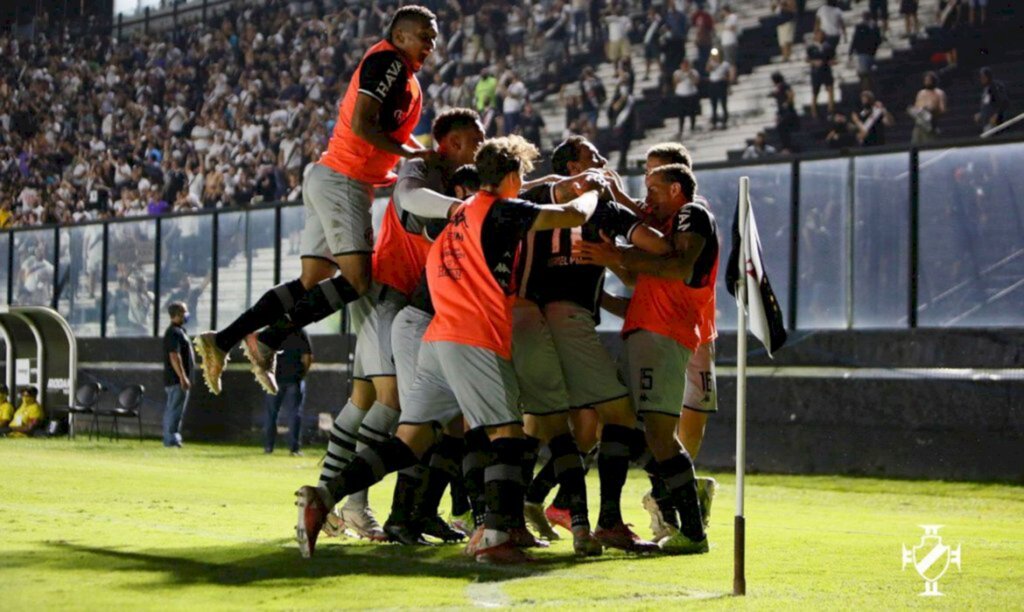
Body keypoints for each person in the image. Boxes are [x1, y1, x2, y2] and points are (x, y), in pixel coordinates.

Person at [294, 135, 602, 564]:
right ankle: (495, 535)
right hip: (471, 336)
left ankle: (323, 495)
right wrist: (591, 193)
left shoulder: (459, 217)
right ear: (512, 176)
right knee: (507, 433)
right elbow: (569, 215)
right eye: (522, 176)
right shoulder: (500, 211)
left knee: (408, 441)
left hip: (436, 339)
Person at [193, 5, 438, 397]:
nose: (431, 43)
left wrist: (416, 151)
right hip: (345, 179)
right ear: (402, 35)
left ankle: (223, 340)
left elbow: (381, 129)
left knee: (312, 279)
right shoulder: (390, 62)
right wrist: (411, 155)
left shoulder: (401, 74)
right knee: (357, 280)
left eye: (434, 37)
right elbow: (362, 124)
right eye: (425, 35)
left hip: (330, 175)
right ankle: (268, 340)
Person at [317, 108, 485, 543]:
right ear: (449, 143)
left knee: (368, 401)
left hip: (402, 302)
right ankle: (351, 505)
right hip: (392, 298)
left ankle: (335, 501)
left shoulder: (449, 184)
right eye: (474, 139)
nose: (481, 146)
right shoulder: (422, 169)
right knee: (399, 409)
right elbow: (409, 199)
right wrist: (459, 207)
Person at [573, 163, 713, 555]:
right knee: (622, 427)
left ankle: (693, 530)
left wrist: (615, 252)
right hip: (644, 333)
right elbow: (638, 280)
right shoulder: (665, 230)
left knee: (657, 435)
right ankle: (616, 520)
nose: (646, 197)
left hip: (664, 335)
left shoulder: (692, 213)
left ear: (675, 190)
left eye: (653, 189)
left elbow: (679, 264)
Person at [264, 328, 312, 456]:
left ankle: (269, 447)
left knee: (271, 414)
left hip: (274, 379)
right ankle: (294, 448)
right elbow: (307, 357)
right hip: (294, 379)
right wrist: (302, 374)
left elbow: (261, 355)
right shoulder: (300, 332)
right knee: (294, 414)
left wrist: (266, 374)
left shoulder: (271, 331)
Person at [163, 301, 193, 448]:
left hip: (176, 380)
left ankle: (171, 438)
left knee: (174, 410)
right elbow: (174, 355)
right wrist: (183, 377)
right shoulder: (174, 333)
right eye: (184, 312)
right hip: (176, 380)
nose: (187, 314)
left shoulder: (179, 331)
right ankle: (171, 440)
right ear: (177, 314)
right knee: (175, 411)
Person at [910, 71, 946, 145]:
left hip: (931, 124)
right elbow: (916, 106)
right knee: (915, 144)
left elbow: (943, 109)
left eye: (929, 80)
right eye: (926, 80)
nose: (927, 82)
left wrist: (933, 109)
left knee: (929, 145)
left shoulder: (939, 93)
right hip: (919, 123)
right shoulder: (921, 93)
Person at [849, 12, 883, 91]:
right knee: (866, 74)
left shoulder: (866, 27)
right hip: (868, 53)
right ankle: (867, 92)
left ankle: (867, 92)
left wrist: (851, 52)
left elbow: (855, 40)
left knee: (866, 75)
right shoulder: (872, 27)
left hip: (866, 53)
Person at [807, 29, 837, 119]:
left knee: (830, 89)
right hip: (816, 72)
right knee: (815, 92)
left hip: (826, 70)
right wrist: (814, 62)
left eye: (821, 35)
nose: (819, 37)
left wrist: (831, 62)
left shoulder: (828, 46)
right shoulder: (811, 48)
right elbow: (807, 59)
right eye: (818, 35)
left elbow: (833, 58)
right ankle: (814, 111)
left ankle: (830, 110)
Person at [770, 72, 800, 152]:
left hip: (788, 111)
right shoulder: (778, 88)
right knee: (781, 128)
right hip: (782, 111)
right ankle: (786, 147)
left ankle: (787, 147)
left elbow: (791, 94)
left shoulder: (784, 85)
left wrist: (787, 103)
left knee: (783, 127)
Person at [975, 67, 1009, 134]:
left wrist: (996, 115)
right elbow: (987, 104)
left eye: (983, 77)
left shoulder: (995, 87)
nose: (981, 79)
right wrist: (981, 114)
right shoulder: (986, 89)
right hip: (986, 122)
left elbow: (1003, 102)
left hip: (994, 122)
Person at [673, 59, 701, 139]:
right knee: (681, 113)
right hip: (681, 95)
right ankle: (681, 129)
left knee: (692, 112)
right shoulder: (677, 73)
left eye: (686, 64)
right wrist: (682, 74)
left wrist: (690, 74)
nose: (685, 66)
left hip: (691, 94)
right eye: (683, 64)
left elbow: (696, 82)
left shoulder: (694, 72)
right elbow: (675, 82)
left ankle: (692, 127)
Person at [706, 49, 731, 130]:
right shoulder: (711, 63)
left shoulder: (725, 64)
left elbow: (727, 75)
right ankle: (714, 121)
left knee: (723, 103)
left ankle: (725, 121)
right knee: (714, 104)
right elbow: (707, 69)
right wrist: (711, 60)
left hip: (721, 83)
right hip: (713, 83)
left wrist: (728, 86)